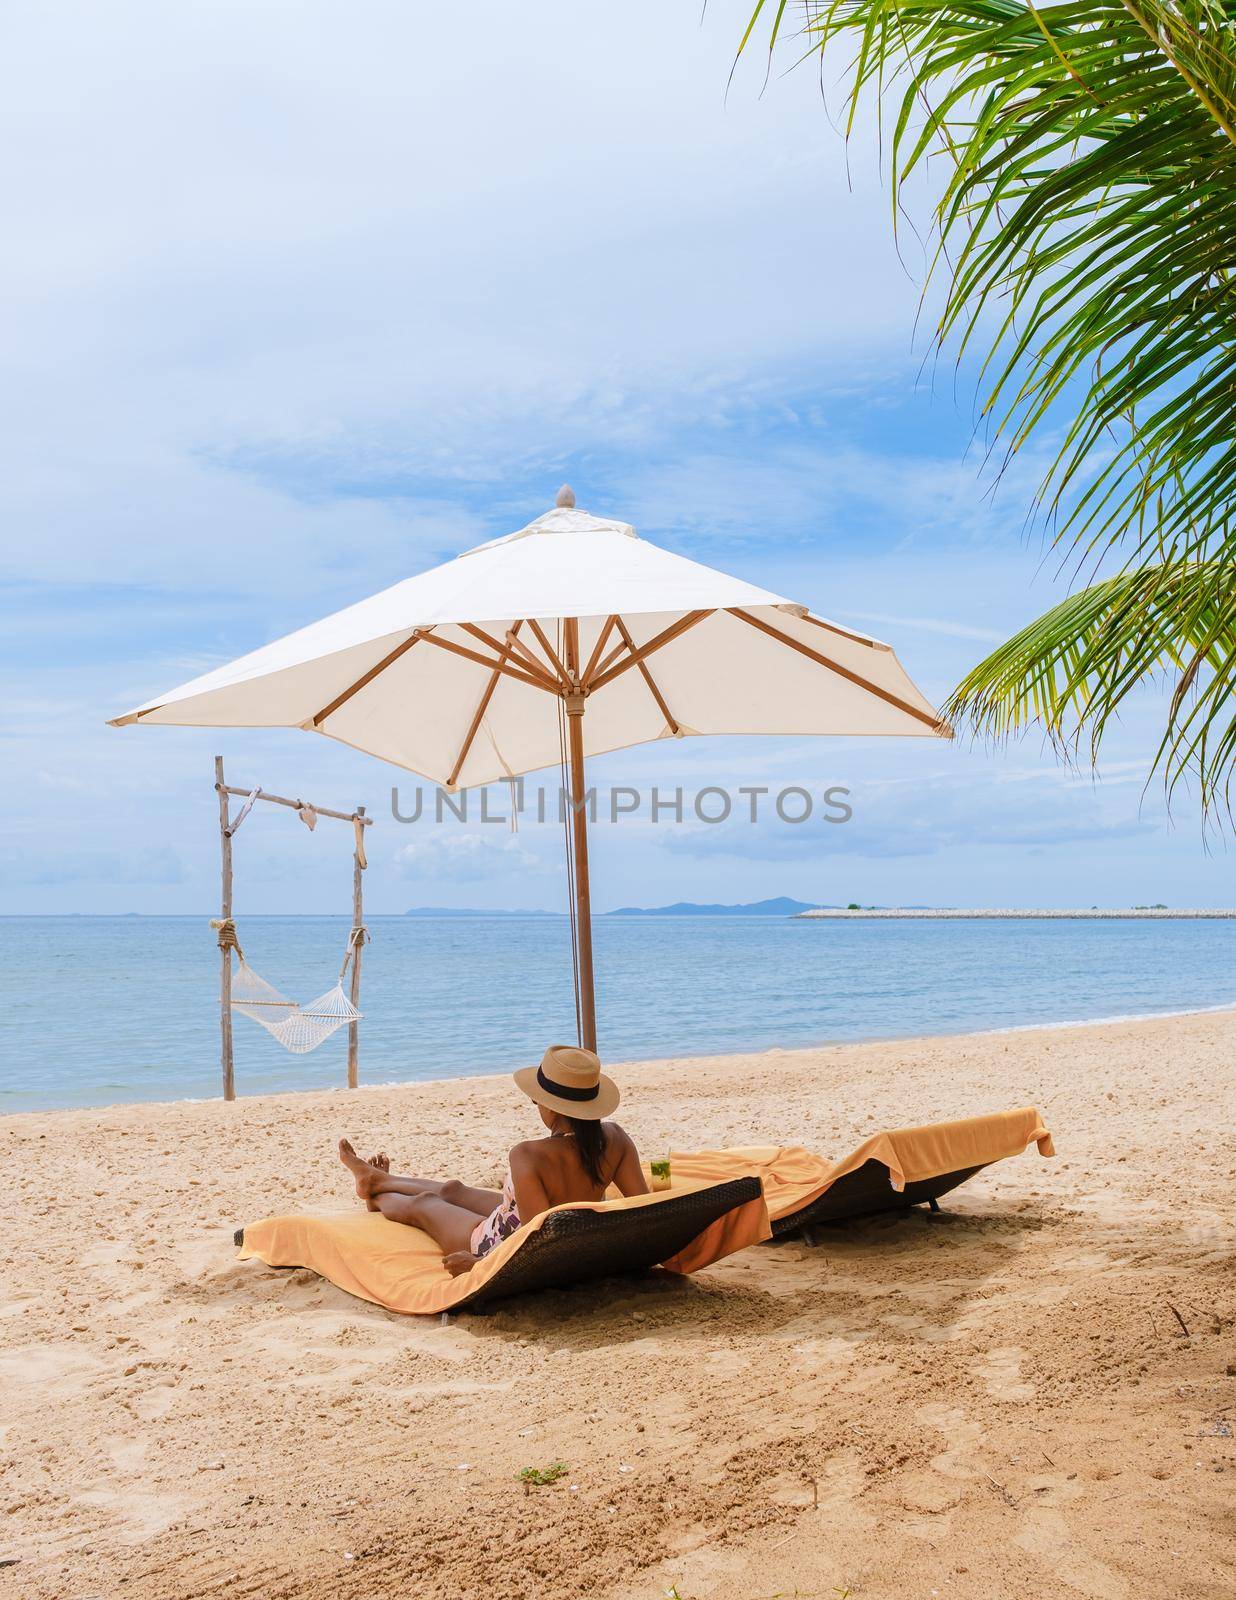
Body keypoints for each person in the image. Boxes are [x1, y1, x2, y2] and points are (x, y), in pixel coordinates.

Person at [337, 1044, 647, 1275]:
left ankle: (377, 1198)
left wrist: (480, 1263)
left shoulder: (528, 1156)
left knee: (426, 1205)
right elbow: (646, 1211)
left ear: (550, 1105)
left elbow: (536, 1240)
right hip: (546, 1225)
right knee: (454, 1189)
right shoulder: (616, 1139)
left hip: (504, 1244)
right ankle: (378, 1180)